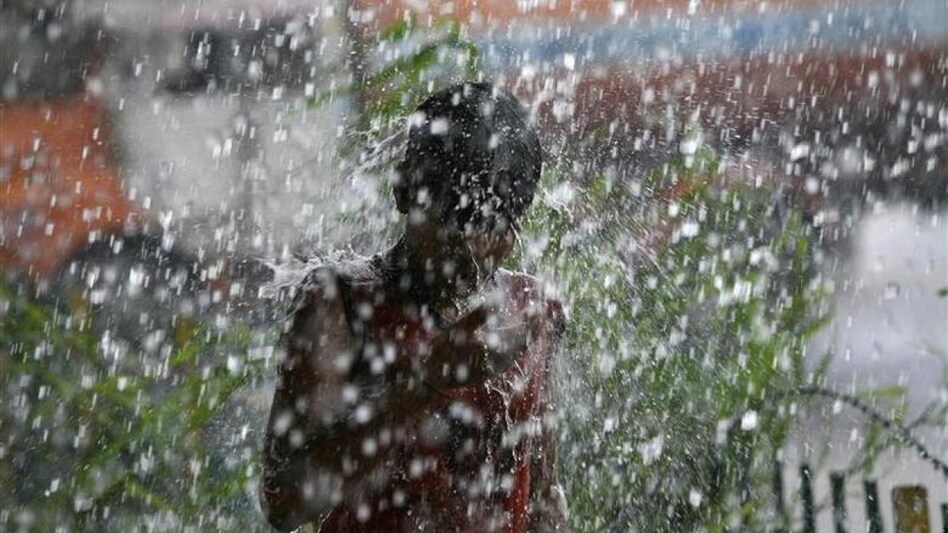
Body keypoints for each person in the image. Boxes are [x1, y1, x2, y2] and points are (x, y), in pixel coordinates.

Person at [259, 82, 568, 532]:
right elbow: (284, 502)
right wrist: (422, 387)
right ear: (403, 190)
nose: (472, 248)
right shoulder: (341, 304)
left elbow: (543, 494)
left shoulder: (532, 311)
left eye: (496, 226)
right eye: (453, 222)